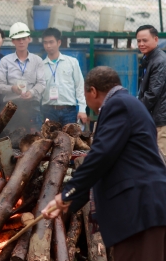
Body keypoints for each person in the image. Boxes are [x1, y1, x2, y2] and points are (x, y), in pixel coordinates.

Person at [42, 66, 166, 260]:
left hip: (141, 207)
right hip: (141, 209)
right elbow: (110, 160)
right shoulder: (129, 103)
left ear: (93, 91)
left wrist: (68, 193)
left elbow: (101, 155)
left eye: (86, 96)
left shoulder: (118, 106)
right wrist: (70, 200)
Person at [0, 22, 45, 133]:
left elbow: (42, 83)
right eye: (18, 39)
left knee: (35, 140)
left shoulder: (37, 61)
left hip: (32, 107)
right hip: (11, 108)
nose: (21, 41)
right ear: (13, 41)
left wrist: (31, 92)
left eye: (23, 38)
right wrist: (12, 89)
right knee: (9, 141)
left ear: (29, 39)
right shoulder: (5, 61)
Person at [41, 27, 87, 126]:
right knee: (50, 140)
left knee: (71, 139)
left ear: (59, 42)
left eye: (51, 42)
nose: (48, 46)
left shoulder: (72, 62)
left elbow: (80, 86)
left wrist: (82, 109)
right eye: (45, 43)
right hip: (49, 110)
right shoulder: (40, 65)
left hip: (69, 111)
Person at [136, 24, 166, 156]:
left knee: (161, 158)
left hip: (161, 119)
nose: (141, 44)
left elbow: (152, 94)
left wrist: (134, 108)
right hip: (154, 117)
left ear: (156, 40)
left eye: (145, 40)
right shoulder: (149, 58)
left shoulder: (160, 61)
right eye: (138, 41)